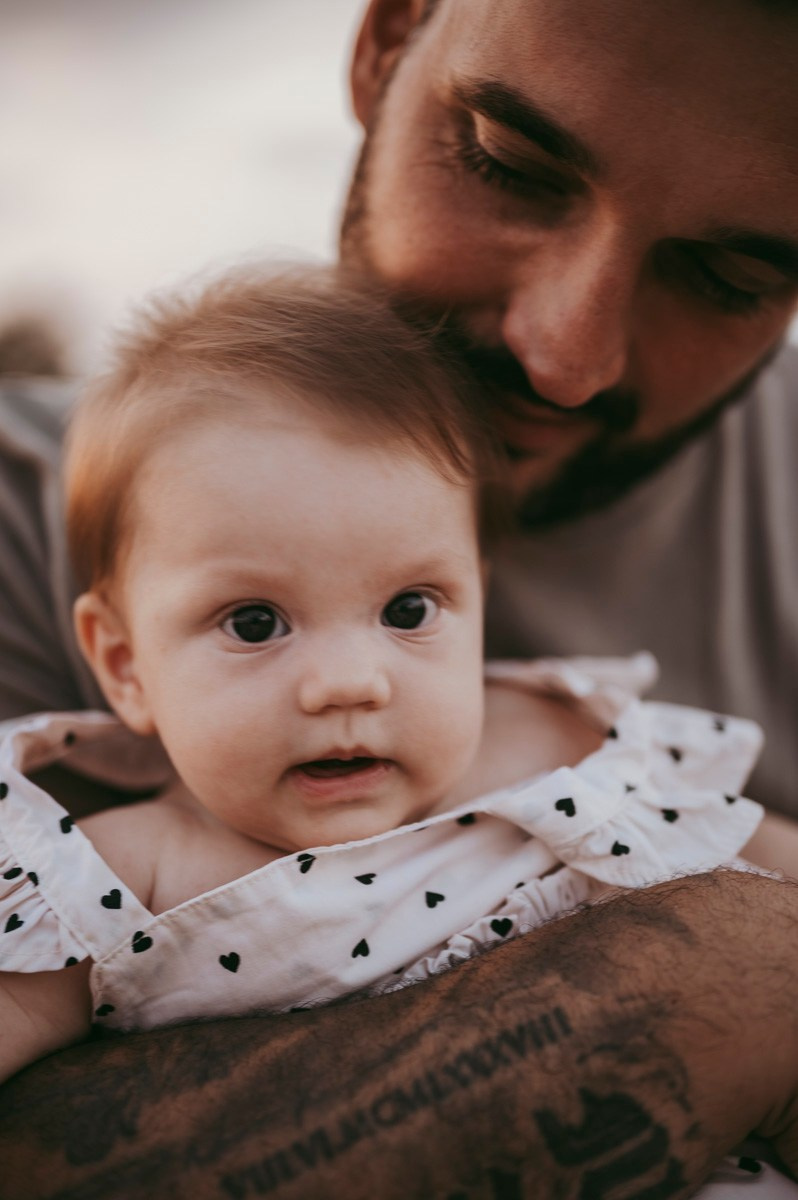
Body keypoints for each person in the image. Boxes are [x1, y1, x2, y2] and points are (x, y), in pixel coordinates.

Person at [2, 0, 798, 1195]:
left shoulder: (581, 741)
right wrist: (721, 974)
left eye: (729, 275)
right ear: (384, 46)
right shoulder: (96, 847)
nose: (565, 353)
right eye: (509, 165)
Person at [0, 266, 766, 1089]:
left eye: (408, 610)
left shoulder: (565, 740)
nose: (348, 684)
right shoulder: (119, 873)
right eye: (255, 624)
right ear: (126, 668)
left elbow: (760, 847)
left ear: (477, 596)